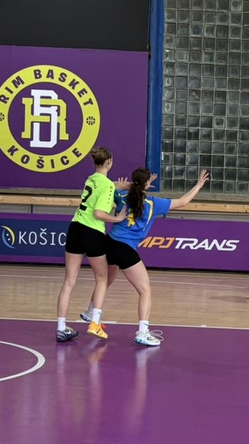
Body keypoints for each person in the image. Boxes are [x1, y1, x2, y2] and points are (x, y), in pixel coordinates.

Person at [107, 168, 210, 346]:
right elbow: (183, 201)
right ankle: (143, 332)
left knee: (105, 281)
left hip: (109, 243)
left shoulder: (121, 195)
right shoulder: (153, 203)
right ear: (147, 184)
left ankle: (91, 313)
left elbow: (107, 186)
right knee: (145, 290)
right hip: (125, 248)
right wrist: (199, 185)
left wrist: (124, 185)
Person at [55, 147, 126, 343]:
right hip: (92, 231)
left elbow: (105, 185)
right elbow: (98, 214)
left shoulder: (90, 179)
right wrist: (117, 218)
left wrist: (121, 186)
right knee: (102, 278)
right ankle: (94, 322)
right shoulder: (108, 185)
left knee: (69, 281)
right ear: (110, 162)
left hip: (75, 227)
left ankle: (61, 327)